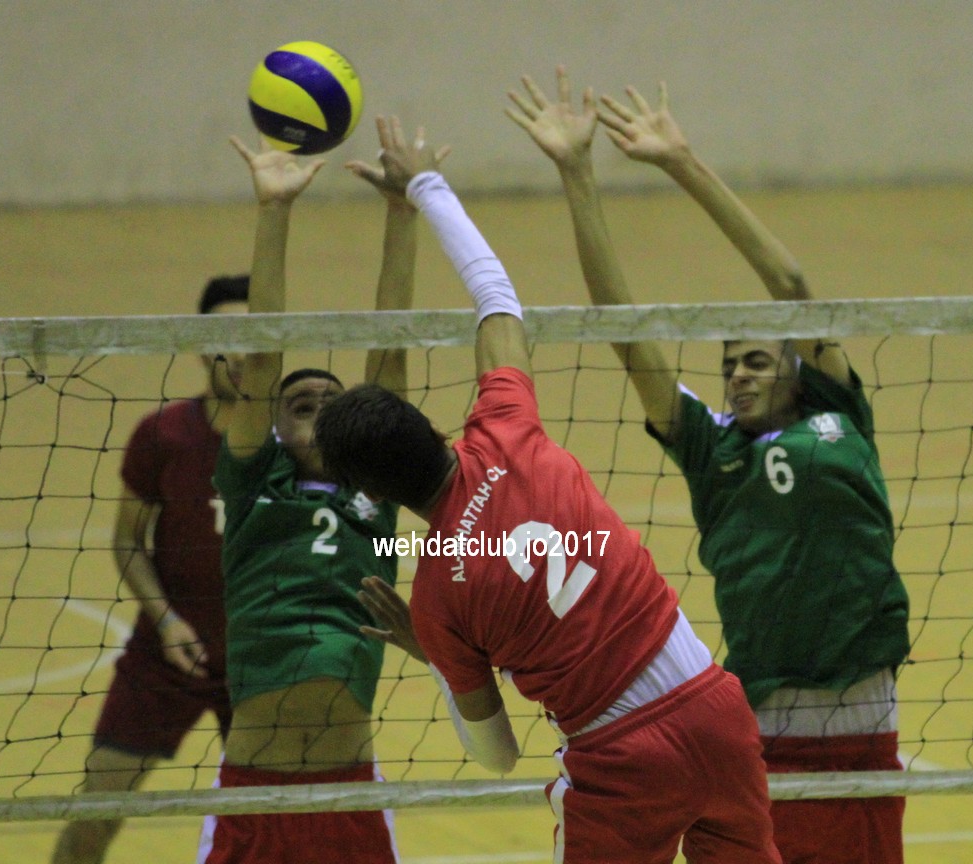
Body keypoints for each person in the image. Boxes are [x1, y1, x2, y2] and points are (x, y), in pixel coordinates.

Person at [316, 115, 780, 864]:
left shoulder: (438, 599)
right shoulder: (505, 426)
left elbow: (497, 754)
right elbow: (495, 293)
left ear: (371, 492)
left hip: (622, 759)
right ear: (432, 426)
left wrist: (433, 653)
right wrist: (425, 184)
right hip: (717, 710)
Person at [505, 67, 911, 864]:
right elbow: (622, 328)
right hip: (759, 723)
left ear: (798, 369)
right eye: (729, 366)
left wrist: (680, 162)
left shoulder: (840, 413)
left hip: (863, 714)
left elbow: (791, 284)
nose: (739, 375)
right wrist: (578, 173)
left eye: (757, 360)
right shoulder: (711, 447)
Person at [197, 128, 430, 864]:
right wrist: (274, 209)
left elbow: (389, 351)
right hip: (252, 792)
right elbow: (264, 355)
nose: (320, 407)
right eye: (302, 402)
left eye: (335, 402)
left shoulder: (376, 489)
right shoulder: (251, 482)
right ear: (271, 423)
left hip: (347, 790)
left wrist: (403, 212)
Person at [51, 275, 245, 864]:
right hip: (166, 653)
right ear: (199, 345)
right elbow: (127, 541)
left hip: (260, 659)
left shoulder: (295, 439)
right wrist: (165, 621)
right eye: (225, 337)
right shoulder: (164, 435)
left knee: (280, 823)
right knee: (96, 810)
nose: (239, 352)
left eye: (254, 335)